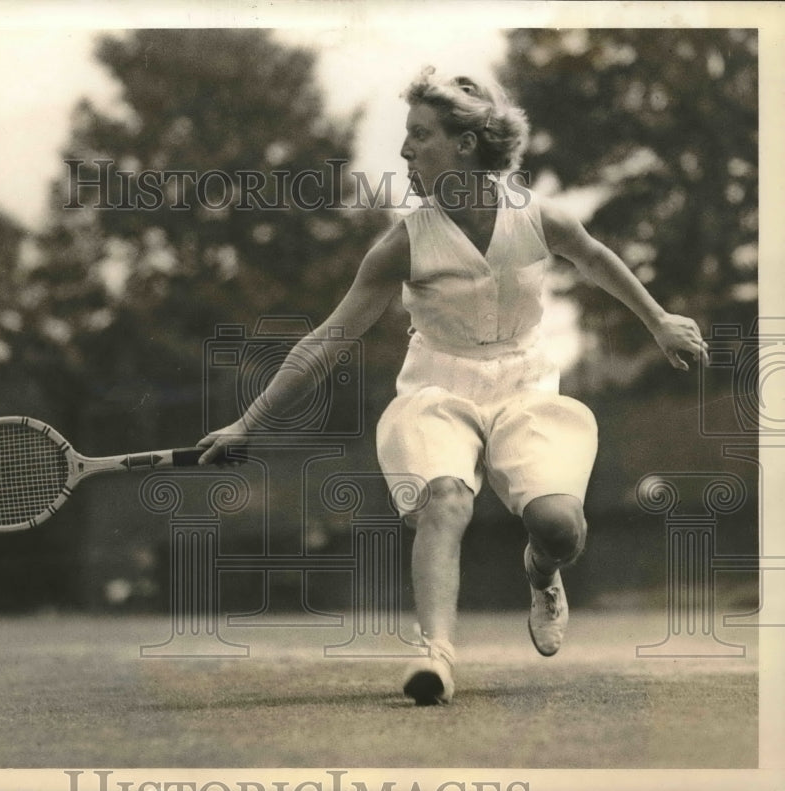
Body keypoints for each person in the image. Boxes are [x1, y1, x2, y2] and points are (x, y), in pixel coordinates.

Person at [197, 67, 709, 705]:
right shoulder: (399, 245)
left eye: (420, 135)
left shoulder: (538, 218)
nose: (406, 151)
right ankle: (436, 655)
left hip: (527, 386)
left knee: (560, 529)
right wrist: (249, 423)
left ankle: (541, 571)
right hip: (435, 392)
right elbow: (328, 338)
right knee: (444, 500)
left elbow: (596, 258)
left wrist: (658, 320)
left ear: (466, 145)